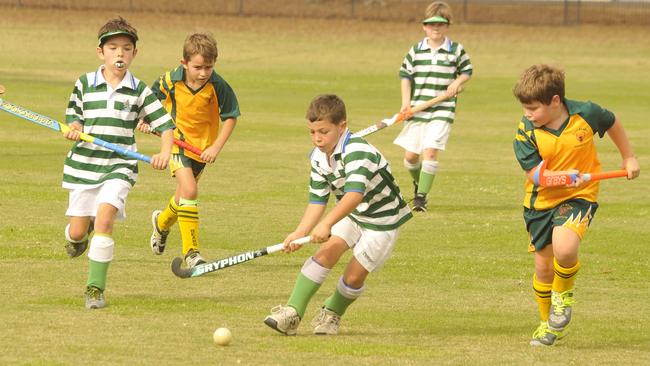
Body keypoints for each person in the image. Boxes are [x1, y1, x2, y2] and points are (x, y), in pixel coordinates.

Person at [512, 64, 640, 346]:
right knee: (544, 268)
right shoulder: (526, 130)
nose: (527, 114)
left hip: (580, 196)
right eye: (525, 108)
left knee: (566, 248)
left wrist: (628, 157)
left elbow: (612, 122)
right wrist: (558, 177)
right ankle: (548, 325)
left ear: (555, 101)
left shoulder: (586, 113)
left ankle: (562, 298)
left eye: (533, 108)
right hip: (540, 202)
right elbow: (534, 174)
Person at [263, 94, 412, 336]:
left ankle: (332, 312)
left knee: (353, 276)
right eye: (312, 132)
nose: (317, 139)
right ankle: (292, 313)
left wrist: (326, 224)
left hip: (382, 221)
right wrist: (300, 233)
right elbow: (317, 199)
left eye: (323, 131)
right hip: (353, 215)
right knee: (326, 252)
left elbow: (354, 195)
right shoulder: (318, 157)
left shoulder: (358, 151)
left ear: (342, 126)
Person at [63, 17, 175, 309]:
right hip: (84, 165)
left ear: (134, 54)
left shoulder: (139, 90)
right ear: (101, 52)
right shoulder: (84, 83)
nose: (120, 54)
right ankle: (80, 235)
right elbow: (74, 115)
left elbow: (166, 125)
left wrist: (164, 152)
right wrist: (73, 127)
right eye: (113, 48)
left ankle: (95, 289)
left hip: (119, 165)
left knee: (105, 219)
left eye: (126, 48)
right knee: (77, 231)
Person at [141, 32, 240, 269]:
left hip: (201, 149)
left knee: (182, 197)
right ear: (184, 62)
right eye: (198, 67)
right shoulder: (169, 81)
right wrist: (146, 121)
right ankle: (192, 252)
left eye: (209, 67)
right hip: (175, 142)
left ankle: (162, 223)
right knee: (190, 190)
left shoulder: (218, 85)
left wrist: (215, 147)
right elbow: (150, 104)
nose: (204, 72)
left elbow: (230, 117)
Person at [394, 1, 472, 212]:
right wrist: (405, 104)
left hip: (442, 110)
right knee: (410, 157)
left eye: (440, 24)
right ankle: (420, 183)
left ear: (447, 25)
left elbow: (466, 71)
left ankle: (421, 198)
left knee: (430, 152)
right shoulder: (416, 50)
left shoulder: (456, 50)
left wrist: (457, 82)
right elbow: (405, 77)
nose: (435, 28)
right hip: (418, 108)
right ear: (424, 26)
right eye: (431, 24)